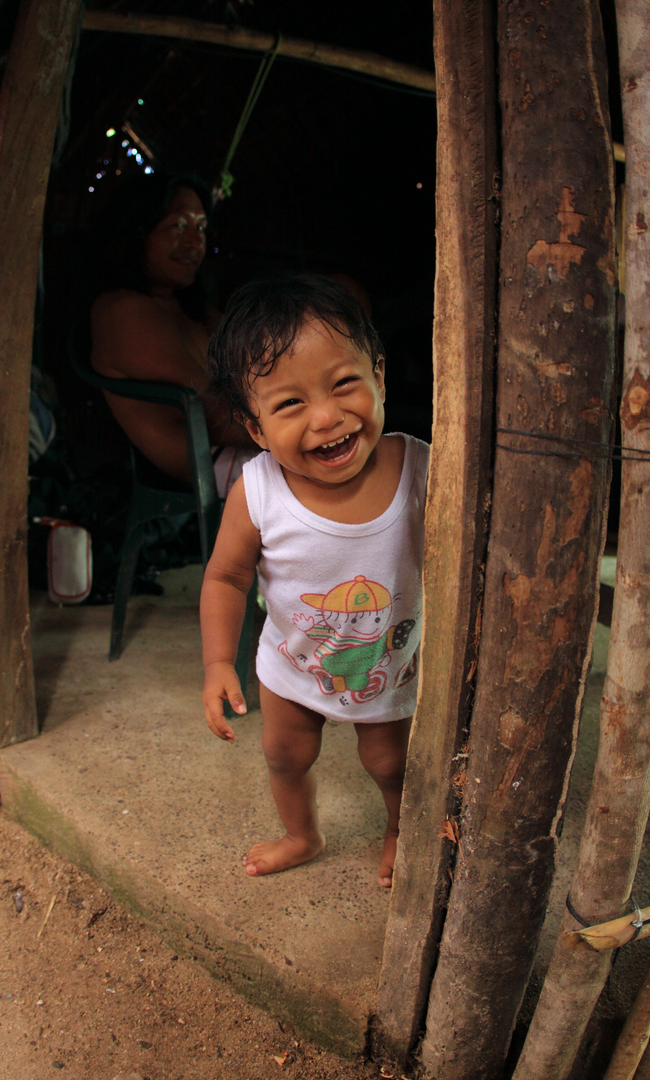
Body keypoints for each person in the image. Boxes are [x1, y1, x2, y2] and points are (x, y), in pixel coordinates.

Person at [200, 275, 429, 887]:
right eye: (289, 404)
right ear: (254, 428)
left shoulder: (423, 469)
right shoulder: (259, 489)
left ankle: (399, 829)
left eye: (344, 383)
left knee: (391, 762)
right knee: (286, 755)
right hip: (292, 665)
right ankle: (302, 835)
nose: (326, 417)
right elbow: (225, 576)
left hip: (388, 662)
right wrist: (220, 661)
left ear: (379, 374)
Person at [90, 171, 256, 495]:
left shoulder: (188, 307)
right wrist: (298, 433)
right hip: (205, 466)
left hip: (244, 446)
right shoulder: (123, 311)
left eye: (201, 228)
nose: (195, 243)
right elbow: (218, 411)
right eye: (178, 225)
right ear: (139, 232)